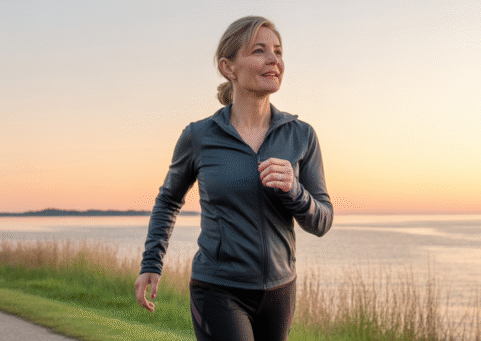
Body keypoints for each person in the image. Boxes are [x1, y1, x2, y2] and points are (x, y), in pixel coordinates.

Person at [134, 16, 333, 341]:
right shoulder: (199, 136)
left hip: (280, 291)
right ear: (229, 67)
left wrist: (294, 191)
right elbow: (168, 200)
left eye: (278, 51)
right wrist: (151, 263)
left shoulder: (301, 136)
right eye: (259, 51)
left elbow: (322, 221)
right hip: (218, 288)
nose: (274, 60)